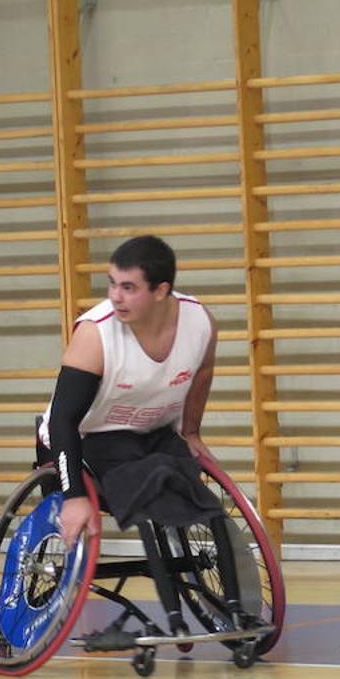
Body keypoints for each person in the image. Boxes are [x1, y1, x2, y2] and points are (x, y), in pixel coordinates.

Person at [38, 234, 246, 632]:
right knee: (148, 488)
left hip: (150, 432)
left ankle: (234, 608)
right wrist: (74, 497)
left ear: (161, 291)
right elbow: (63, 421)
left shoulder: (200, 322)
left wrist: (192, 430)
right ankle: (172, 617)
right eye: (112, 283)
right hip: (84, 439)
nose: (116, 296)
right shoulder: (95, 335)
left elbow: (202, 372)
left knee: (202, 497)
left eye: (128, 287)